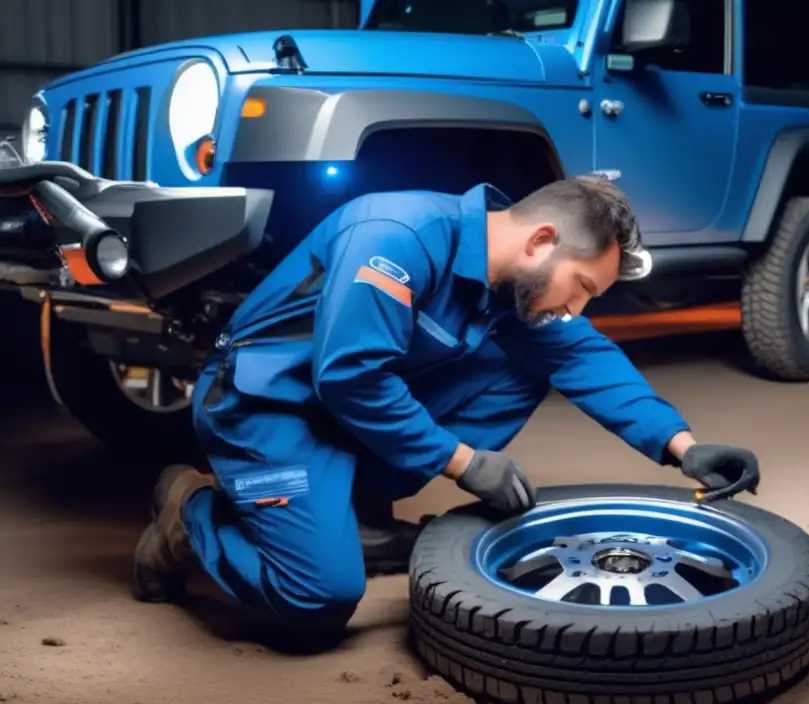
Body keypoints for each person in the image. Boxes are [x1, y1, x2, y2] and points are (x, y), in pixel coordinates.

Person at [133, 175, 760, 633]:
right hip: (265, 406)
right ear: (542, 240)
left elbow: (584, 357)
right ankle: (191, 510)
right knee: (318, 599)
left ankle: (350, 509)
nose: (579, 306)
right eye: (584, 286)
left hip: (343, 416)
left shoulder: (511, 288)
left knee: (532, 361)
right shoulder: (397, 236)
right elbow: (349, 376)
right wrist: (462, 462)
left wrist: (683, 447)